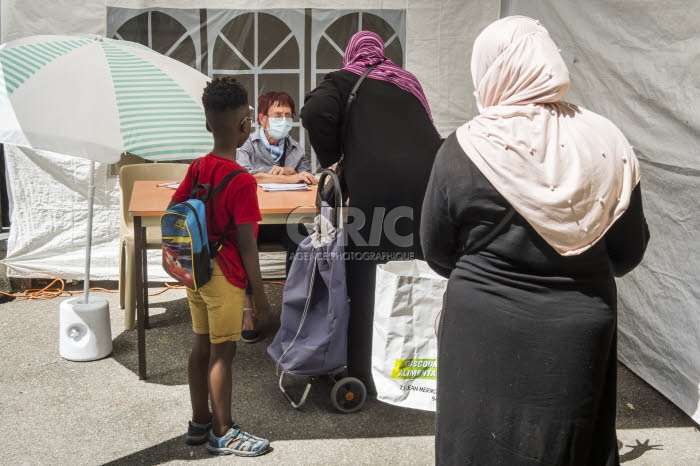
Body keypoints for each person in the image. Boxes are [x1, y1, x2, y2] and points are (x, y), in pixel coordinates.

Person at [420, 16, 650, 465]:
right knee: (569, 447)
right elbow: (628, 250)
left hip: (481, 324)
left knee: (476, 443)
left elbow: (436, 249)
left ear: (490, 69)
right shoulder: (607, 140)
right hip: (580, 329)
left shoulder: (465, 147)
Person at [301, 31, 442, 394]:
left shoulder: (344, 79)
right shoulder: (406, 82)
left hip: (375, 193)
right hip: (426, 187)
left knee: (366, 275)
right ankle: (418, 367)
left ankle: (366, 371)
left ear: (352, 53)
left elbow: (314, 110)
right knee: (416, 273)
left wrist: (332, 156)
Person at [169, 77, 271, 457]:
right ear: (245, 125)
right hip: (226, 277)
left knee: (199, 346)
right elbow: (248, 244)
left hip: (196, 273)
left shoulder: (197, 168)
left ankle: (199, 422)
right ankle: (222, 431)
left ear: (207, 123)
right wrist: (257, 294)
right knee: (222, 354)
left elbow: (176, 211)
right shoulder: (242, 181)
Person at [236, 91, 314, 343]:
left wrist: (292, 171)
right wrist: (286, 177)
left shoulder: (295, 148)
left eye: (287, 116)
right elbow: (246, 176)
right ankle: (249, 311)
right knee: (242, 244)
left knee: (303, 243)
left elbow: (309, 180)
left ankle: (292, 311)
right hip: (254, 219)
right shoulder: (246, 144)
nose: (283, 120)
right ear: (262, 118)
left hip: (284, 221)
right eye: (277, 115)